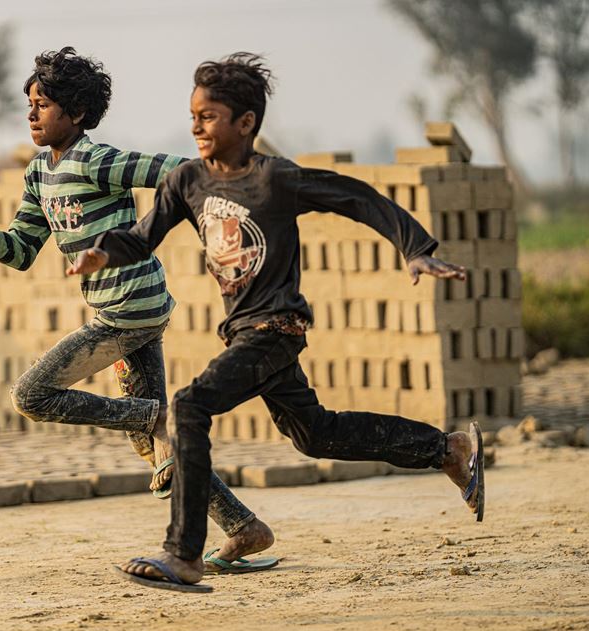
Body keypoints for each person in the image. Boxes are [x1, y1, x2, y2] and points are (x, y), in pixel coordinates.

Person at [69, 52, 485, 593]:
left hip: (276, 330)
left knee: (189, 407)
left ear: (246, 124)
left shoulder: (274, 179)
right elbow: (143, 236)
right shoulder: (187, 182)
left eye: (210, 116)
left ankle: (183, 554)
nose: (196, 125)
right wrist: (104, 251)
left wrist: (415, 249)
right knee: (315, 434)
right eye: (192, 114)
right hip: (244, 333)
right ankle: (447, 450)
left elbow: (357, 198)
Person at [0, 47, 277, 574]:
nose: (32, 113)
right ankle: (244, 528)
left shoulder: (98, 160)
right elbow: (19, 252)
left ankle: (158, 417)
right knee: (156, 454)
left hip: (127, 313)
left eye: (43, 104)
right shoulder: (40, 174)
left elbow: (172, 169)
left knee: (31, 394)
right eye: (30, 103)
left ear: (78, 114)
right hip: (130, 312)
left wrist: (232, 178)